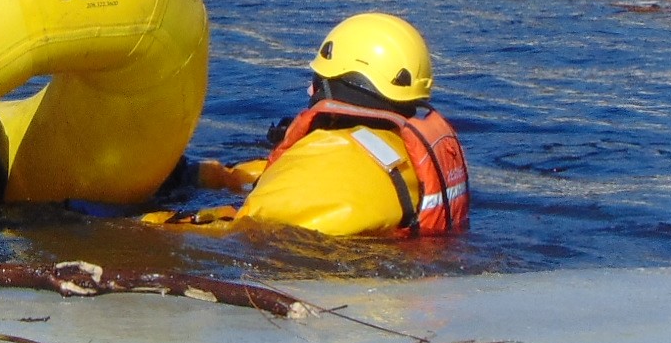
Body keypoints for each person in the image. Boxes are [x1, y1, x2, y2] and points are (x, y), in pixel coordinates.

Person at [149, 12, 469, 238]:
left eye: (317, 79)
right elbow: (310, 174)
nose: (310, 90)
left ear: (336, 83)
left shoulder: (323, 165)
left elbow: (243, 227)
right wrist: (201, 175)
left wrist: (145, 223)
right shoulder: (396, 149)